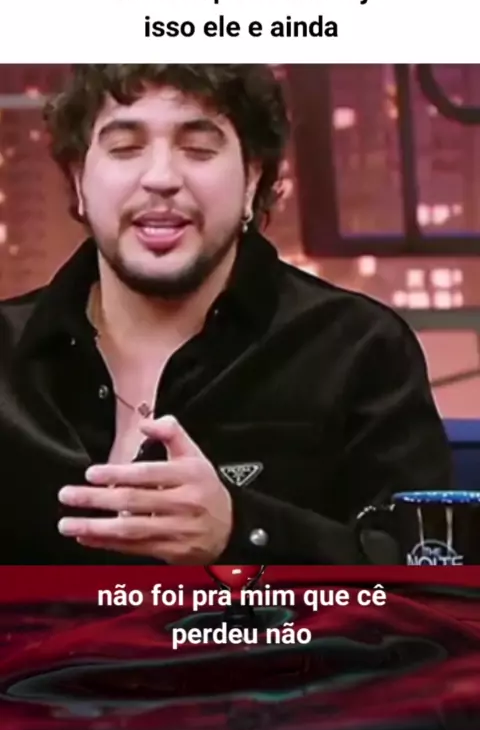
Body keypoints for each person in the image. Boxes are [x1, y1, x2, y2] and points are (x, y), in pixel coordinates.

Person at [0, 64, 452, 566]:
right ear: (79, 181)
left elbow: (424, 575)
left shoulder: (358, 350)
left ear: (253, 178)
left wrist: (242, 531)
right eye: (126, 147)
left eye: (198, 148)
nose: (161, 178)